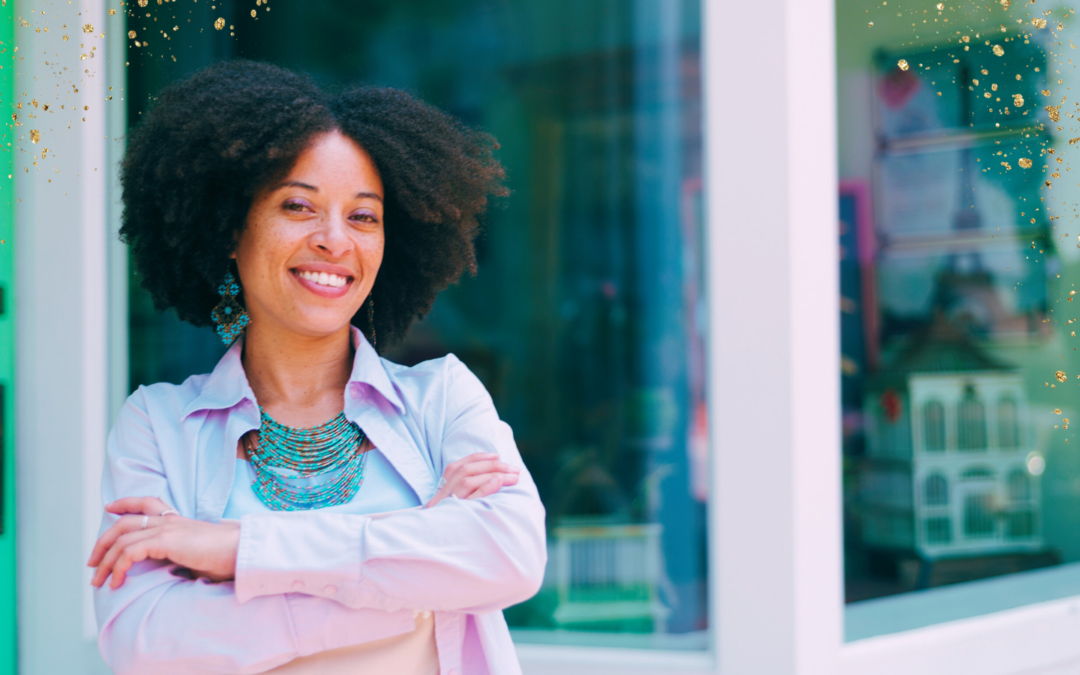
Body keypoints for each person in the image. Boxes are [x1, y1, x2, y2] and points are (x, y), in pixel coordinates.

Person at [87, 60, 546, 675]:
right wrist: (412, 580)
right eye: (299, 206)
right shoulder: (158, 424)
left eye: (363, 216)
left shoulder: (443, 397)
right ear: (229, 227)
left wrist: (237, 551)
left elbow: (511, 557)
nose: (335, 240)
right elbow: (147, 645)